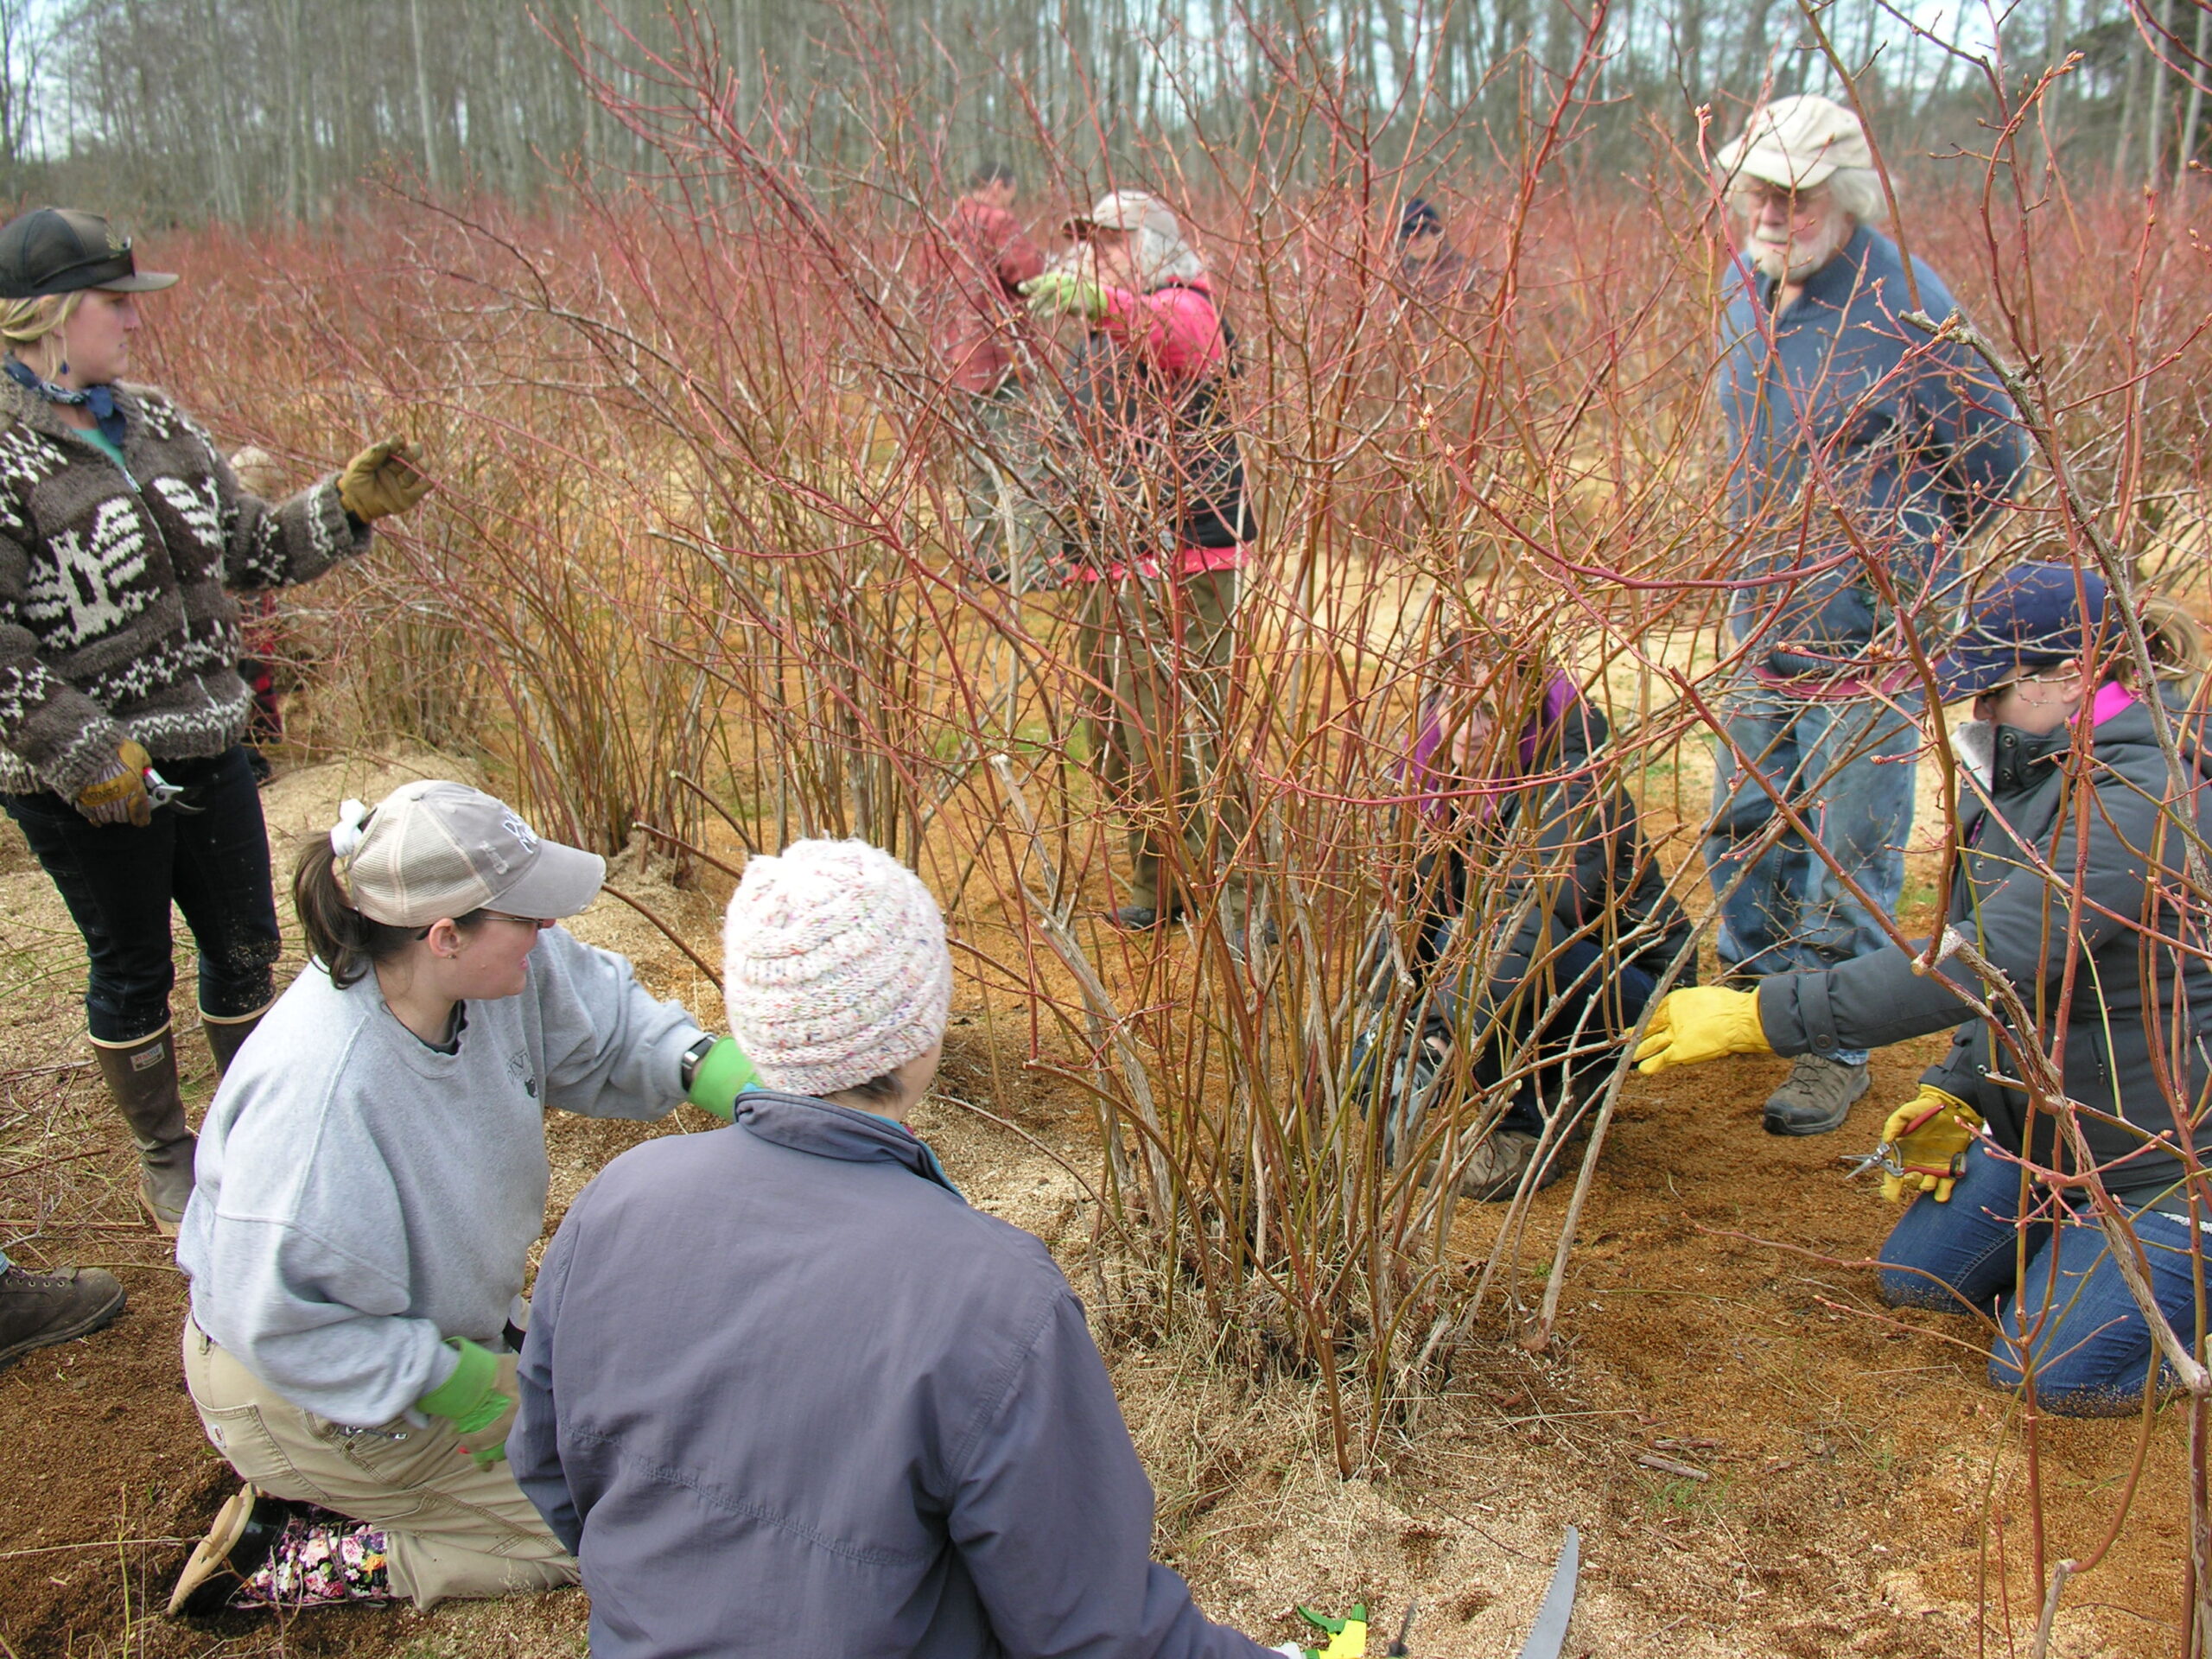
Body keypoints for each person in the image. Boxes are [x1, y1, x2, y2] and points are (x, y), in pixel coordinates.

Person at [510, 837, 1356, 1657]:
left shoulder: (612, 1205)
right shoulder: (995, 1296)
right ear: (923, 1029)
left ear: (751, 1019)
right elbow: (1094, 1632)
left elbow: (551, 1471)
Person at [164, 780, 760, 1614]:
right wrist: (455, 1382)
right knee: (625, 1529)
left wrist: (721, 1075)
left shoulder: (481, 973)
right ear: (444, 936)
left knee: (636, 1429)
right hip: (305, 1384)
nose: (547, 929)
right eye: (525, 916)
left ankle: (400, 1470)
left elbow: (607, 1024)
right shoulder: (320, 1105)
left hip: (429, 1324)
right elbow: (285, 1320)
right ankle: (308, 1556)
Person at [1637, 563, 2211, 1415]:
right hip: (2049, 1130)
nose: (1974, 713)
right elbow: (2005, 963)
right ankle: (2079, 1249)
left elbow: (1991, 958)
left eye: (1994, 690)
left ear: (2073, 678)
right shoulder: (2027, 776)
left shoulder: (2146, 794)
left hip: (2160, 1155)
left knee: (2050, 1375)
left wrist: (1765, 1015)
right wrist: (1957, 1089)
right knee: (1917, 1284)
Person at [0, 206, 433, 1278]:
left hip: (206, 738)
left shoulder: (157, 424)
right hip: (83, 778)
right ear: (46, 318)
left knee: (245, 945)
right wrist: (85, 751)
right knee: (131, 961)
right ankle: (165, 1153)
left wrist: (340, 507)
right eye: (116, 304)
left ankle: (256, 1129)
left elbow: (249, 549)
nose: (133, 325)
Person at [1706, 96, 2029, 1135]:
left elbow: (1996, 461)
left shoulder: (1905, 307)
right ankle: (1748, 999)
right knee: (1747, 824)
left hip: (1871, 637)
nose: (1773, 211)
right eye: (1759, 190)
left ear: (1838, 199)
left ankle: (1830, 1041)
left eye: (1796, 196)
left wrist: (1900, 550)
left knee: (1849, 850)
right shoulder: (1744, 287)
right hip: (1760, 615)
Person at [1358, 631, 1694, 1198]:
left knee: (1499, 945)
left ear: (1528, 712)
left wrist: (1438, 1044)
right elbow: (1414, 917)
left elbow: (1533, 921)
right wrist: (1379, 1033)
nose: (1470, 728)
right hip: (1509, 961)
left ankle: (1538, 1121)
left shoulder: (1572, 783)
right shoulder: (1433, 780)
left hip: (1631, 986)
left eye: (1491, 709)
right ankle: (1494, 1068)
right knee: (1465, 946)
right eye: (1457, 704)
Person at [1023, 190, 1258, 938]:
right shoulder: (1100, 328)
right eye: (1090, 243)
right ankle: (1161, 886)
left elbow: (1182, 341)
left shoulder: (1187, 304)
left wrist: (1106, 299)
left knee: (1187, 735)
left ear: (1156, 245)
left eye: (1114, 241)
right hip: (1107, 559)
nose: (1098, 253)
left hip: (1182, 557)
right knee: (1120, 739)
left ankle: (1242, 897)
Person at [931, 162, 1047, 582]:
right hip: (1002, 362)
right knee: (1028, 462)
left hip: (958, 365)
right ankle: (1037, 566)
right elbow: (1029, 275)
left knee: (981, 467)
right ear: (999, 186)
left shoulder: (944, 228)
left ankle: (978, 562)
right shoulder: (998, 221)